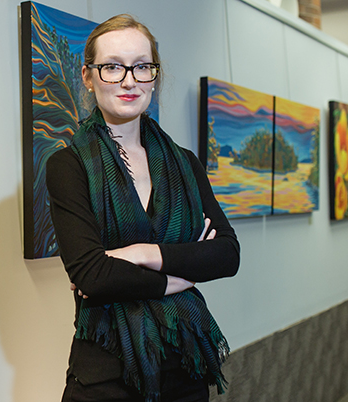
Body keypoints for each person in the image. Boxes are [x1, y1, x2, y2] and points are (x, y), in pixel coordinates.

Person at [46, 14, 241, 402]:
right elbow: (93, 276)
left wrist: (142, 254)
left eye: (141, 67)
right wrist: (179, 275)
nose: (129, 80)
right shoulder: (68, 166)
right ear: (88, 76)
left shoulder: (185, 164)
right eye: (113, 67)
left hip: (185, 367)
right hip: (105, 377)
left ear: (154, 74)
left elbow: (226, 255)